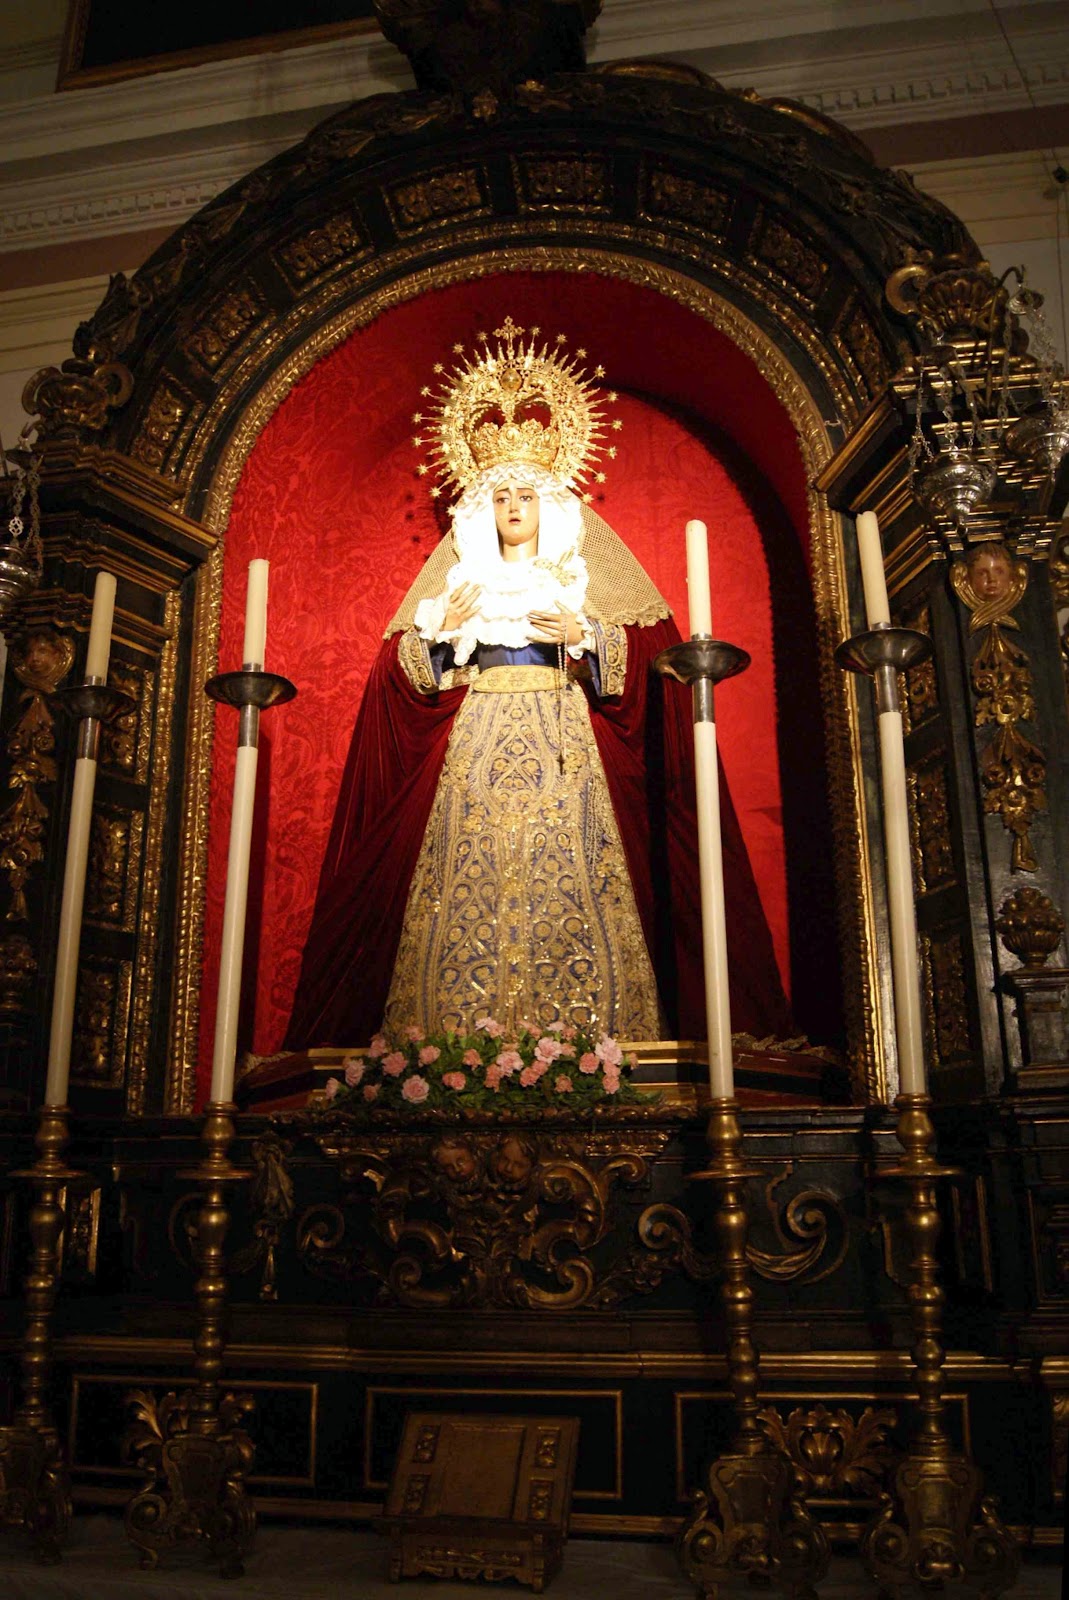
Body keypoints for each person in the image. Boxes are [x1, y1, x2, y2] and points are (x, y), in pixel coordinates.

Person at [284, 321, 790, 1050]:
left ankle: (594, 1040)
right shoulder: (459, 581)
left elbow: (648, 665)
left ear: (549, 503)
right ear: (482, 509)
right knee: (469, 873)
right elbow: (403, 681)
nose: (513, 506)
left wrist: (586, 635)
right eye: (500, 496)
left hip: (563, 735)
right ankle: (454, 1043)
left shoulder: (582, 577)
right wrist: (436, 634)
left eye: (525, 493)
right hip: (477, 741)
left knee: (574, 870)